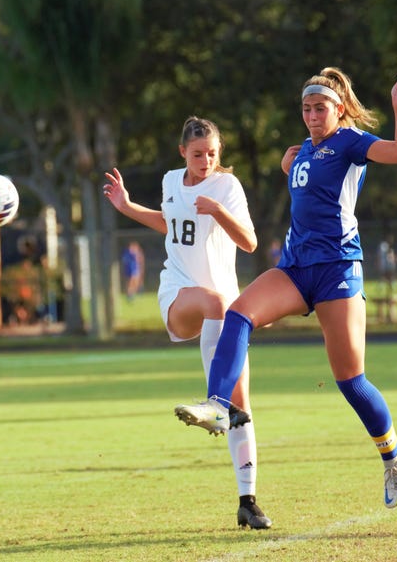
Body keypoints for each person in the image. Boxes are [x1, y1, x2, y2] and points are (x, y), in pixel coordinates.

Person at [175, 68, 397, 509]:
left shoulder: (351, 141)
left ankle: (393, 452)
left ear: (338, 109)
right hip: (295, 268)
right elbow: (306, 189)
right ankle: (217, 405)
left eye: (319, 107)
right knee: (238, 313)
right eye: (305, 108)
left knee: (350, 380)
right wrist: (291, 164)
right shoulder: (302, 152)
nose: (311, 115)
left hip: (338, 269)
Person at [103, 116, 272, 529]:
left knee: (241, 409)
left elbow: (249, 241)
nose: (206, 160)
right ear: (183, 152)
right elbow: (171, 226)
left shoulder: (227, 187)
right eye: (198, 154)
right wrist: (127, 207)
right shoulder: (171, 181)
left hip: (225, 312)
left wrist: (217, 210)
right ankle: (214, 404)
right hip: (179, 295)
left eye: (213, 153)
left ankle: (248, 501)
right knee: (214, 302)